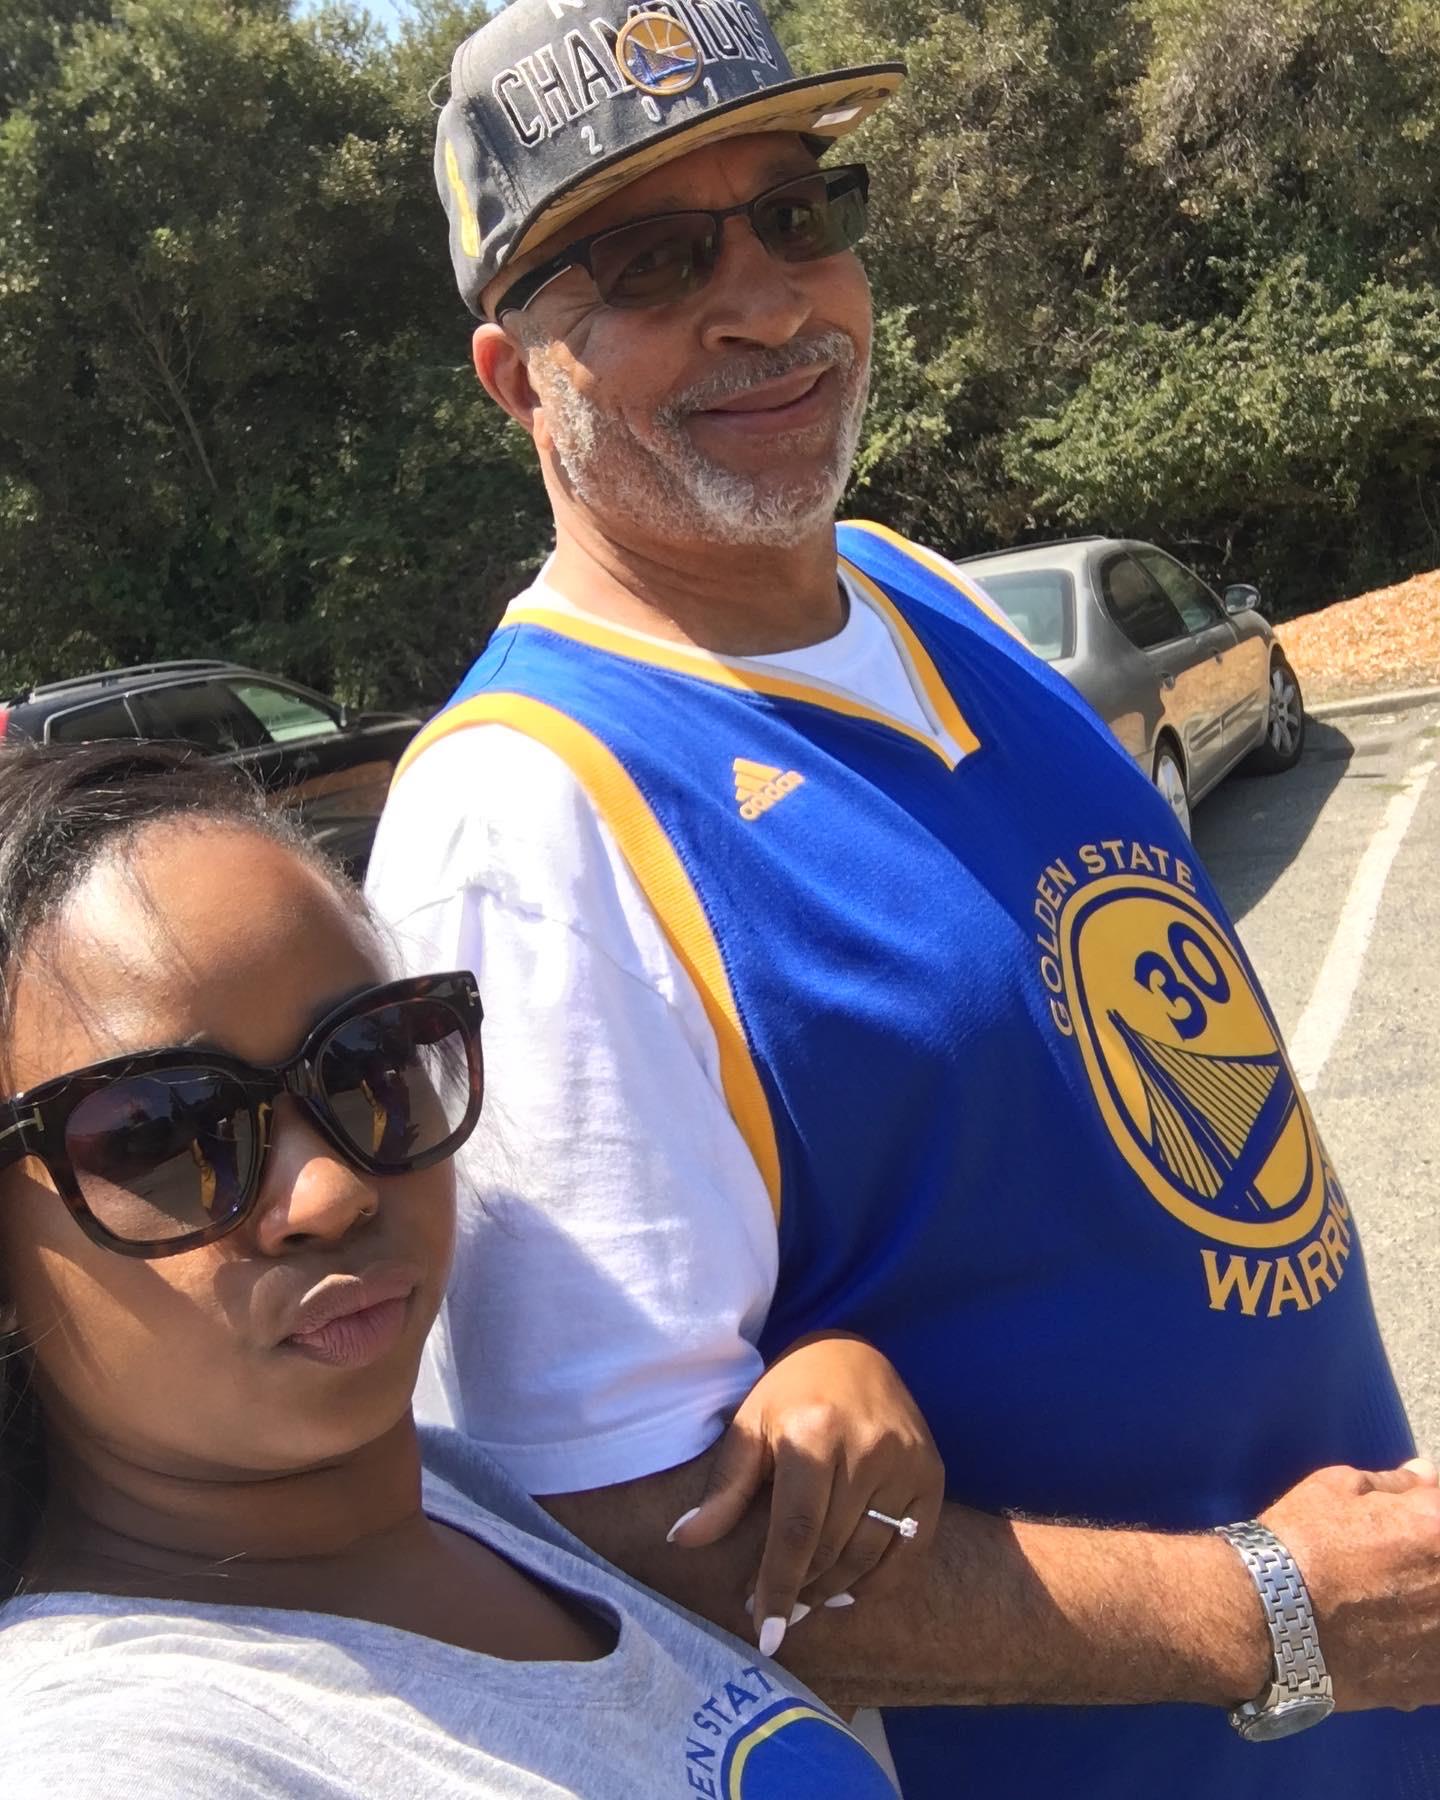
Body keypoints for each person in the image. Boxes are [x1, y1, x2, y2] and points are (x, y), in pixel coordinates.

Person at [367, 1, 1440, 1793]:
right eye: (650, 258)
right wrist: (1272, 1609)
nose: (771, 302)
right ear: (513, 376)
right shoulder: (530, 812)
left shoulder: (908, 583)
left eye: (801, 212)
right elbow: (626, 1524)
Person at [0, 740, 947, 1798]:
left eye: (368, 1059)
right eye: (162, 1134)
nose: (333, 1194)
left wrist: (812, 1367)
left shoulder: (453, 1496)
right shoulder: (127, 1763)